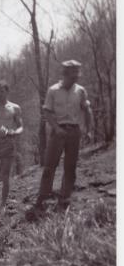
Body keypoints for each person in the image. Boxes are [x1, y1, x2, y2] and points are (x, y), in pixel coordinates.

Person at [33, 60, 92, 212]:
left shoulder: (80, 91)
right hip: (57, 132)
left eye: (77, 74)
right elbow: (46, 111)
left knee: (70, 166)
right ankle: (43, 197)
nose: (76, 78)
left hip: (74, 131)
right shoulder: (53, 90)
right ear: (65, 74)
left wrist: (89, 130)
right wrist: (56, 128)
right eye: (73, 74)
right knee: (49, 166)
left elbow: (87, 110)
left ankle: (65, 198)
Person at [0, 79, 24, 216]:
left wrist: (15, 133)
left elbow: (20, 126)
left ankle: (3, 205)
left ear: (7, 91)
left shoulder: (15, 108)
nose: (0, 94)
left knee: (5, 176)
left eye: (2, 91)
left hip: (8, 142)